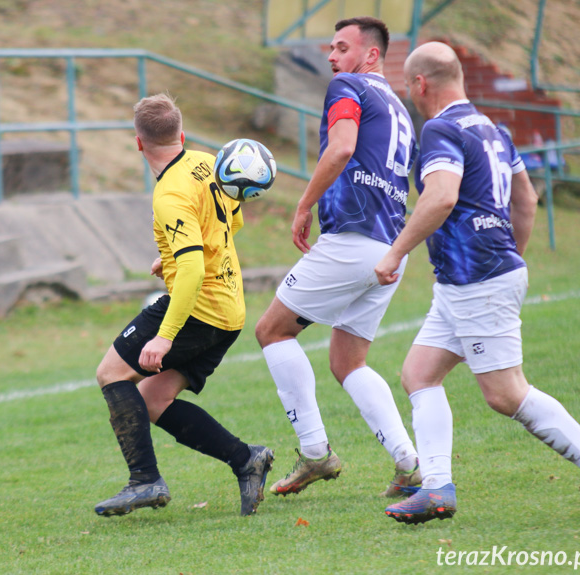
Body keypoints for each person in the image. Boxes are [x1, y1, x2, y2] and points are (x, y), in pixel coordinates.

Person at [376, 41, 580, 523]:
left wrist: (396, 252)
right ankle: (437, 489)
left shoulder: (440, 129)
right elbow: (527, 200)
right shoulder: (493, 130)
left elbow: (439, 198)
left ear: (420, 84)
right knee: (419, 374)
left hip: (476, 276)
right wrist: (509, 257)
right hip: (472, 278)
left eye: (410, 87)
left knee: (506, 394)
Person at [254, 16, 421, 499]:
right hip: (391, 247)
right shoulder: (400, 109)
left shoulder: (349, 86)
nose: (332, 56)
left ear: (371, 56)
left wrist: (304, 204)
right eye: (330, 48)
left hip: (353, 240)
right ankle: (409, 463)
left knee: (272, 330)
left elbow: (342, 147)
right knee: (349, 361)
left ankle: (314, 452)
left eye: (342, 47)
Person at [94, 93, 274, 518]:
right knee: (152, 400)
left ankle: (144, 480)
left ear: (138, 143)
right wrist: (172, 255)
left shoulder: (169, 194)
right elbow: (234, 218)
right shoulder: (208, 161)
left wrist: (164, 335)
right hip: (229, 311)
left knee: (111, 373)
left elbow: (192, 270)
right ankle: (247, 459)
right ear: (182, 133)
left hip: (197, 308)